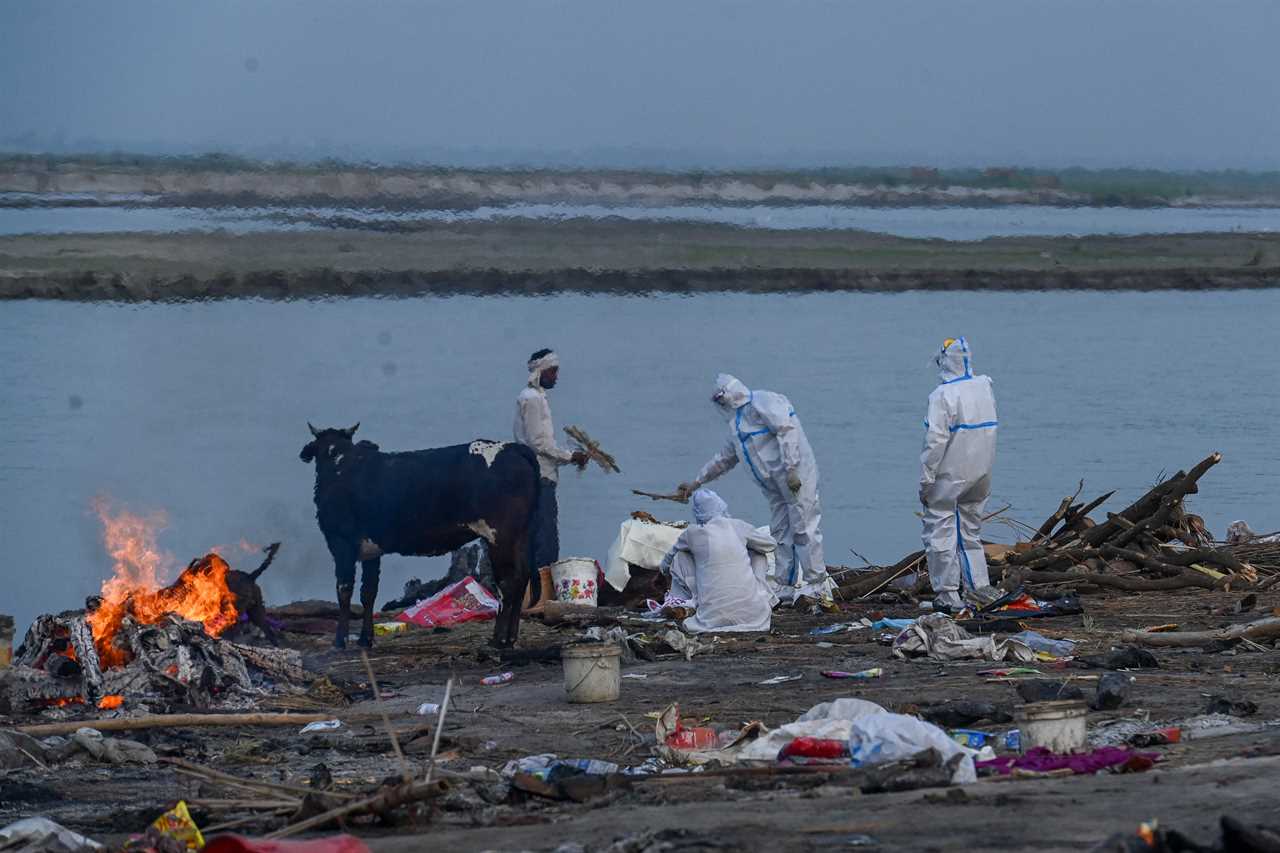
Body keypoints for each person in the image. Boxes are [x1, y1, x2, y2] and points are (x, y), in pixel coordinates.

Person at [676, 374, 835, 607]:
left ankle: (817, 584)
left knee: (804, 527)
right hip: (775, 487)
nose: (721, 404)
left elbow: (786, 430)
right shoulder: (737, 425)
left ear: (730, 393)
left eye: (722, 398)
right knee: (781, 531)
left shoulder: (763, 402)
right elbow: (723, 460)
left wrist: (792, 468)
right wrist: (695, 483)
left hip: (795, 479)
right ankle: (785, 584)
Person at [919, 337, 998, 613]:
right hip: (982, 472)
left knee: (940, 531)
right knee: (970, 531)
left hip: (950, 474)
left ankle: (948, 594)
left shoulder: (942, 396)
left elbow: (934, 442)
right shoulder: (984, 386)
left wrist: (926, 480)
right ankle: (978, 588)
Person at [514, 349, 588, 578]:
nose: (556, 377)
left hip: (535, 473)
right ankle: (539, 592)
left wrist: (569, 455)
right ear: (541, 371)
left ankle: (531, 589)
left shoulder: (534, 397)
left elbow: (542, 444)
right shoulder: (533, 399)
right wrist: (571, 456)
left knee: (536, 534)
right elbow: (539, 444)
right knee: (545, 539)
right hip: (540, 477)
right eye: (553, 372)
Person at [660, 489, 777, 633]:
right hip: (752, 616)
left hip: (711, 617)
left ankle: (687, 601)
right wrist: (743, 545)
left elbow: (667, 560)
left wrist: (663, 572)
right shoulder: (738, 526)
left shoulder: (691, 533)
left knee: (681, 557)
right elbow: (770, 544)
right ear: (721, 506)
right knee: (759, 554)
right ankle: (764, 597)